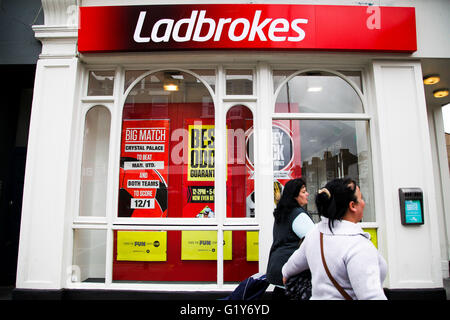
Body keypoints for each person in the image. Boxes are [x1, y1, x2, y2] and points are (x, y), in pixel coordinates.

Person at [282, 178, 387, 300]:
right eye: (361, 198)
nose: (363, 203)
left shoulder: (314, 234)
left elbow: (290, 267)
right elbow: (372, 296)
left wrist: (285, 274)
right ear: (352, 206)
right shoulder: (358, 246)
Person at [266, 178, 315, 299]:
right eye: (303, 192)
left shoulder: (283, 213)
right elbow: (314, 242)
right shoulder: (298, 215)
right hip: (291, 271)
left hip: (276, 268)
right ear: (294, 196)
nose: (307, 194)